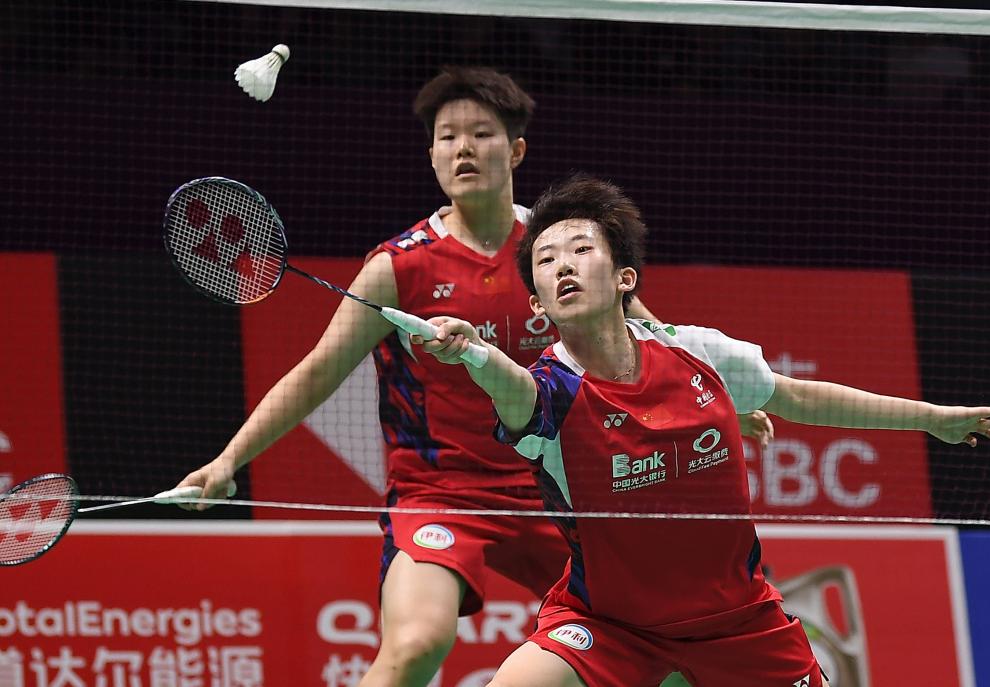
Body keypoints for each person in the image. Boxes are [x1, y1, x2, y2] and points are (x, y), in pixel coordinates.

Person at [175, 68, 762, 687]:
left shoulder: (560, 252)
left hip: (560, 490)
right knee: (415, 645)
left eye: (481, 133)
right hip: (441, 491)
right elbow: (318, 371)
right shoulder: (398, 267)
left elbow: (649, 339)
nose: (463, 148)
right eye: (447, 136)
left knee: (665, 659)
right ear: (431, 155)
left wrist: (714, 403)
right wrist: (228, 460)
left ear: (515, 149)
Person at [416, 173, 990, 687]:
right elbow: (512, 387)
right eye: (545, 260)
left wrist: (932, 418)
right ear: (538, 306)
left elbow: (798, 396)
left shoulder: (697, 353)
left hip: (739, 622)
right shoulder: (551, 391)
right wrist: (473, 351)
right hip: (610, 625)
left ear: (625, 278)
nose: (563, 265)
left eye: (581, 249)